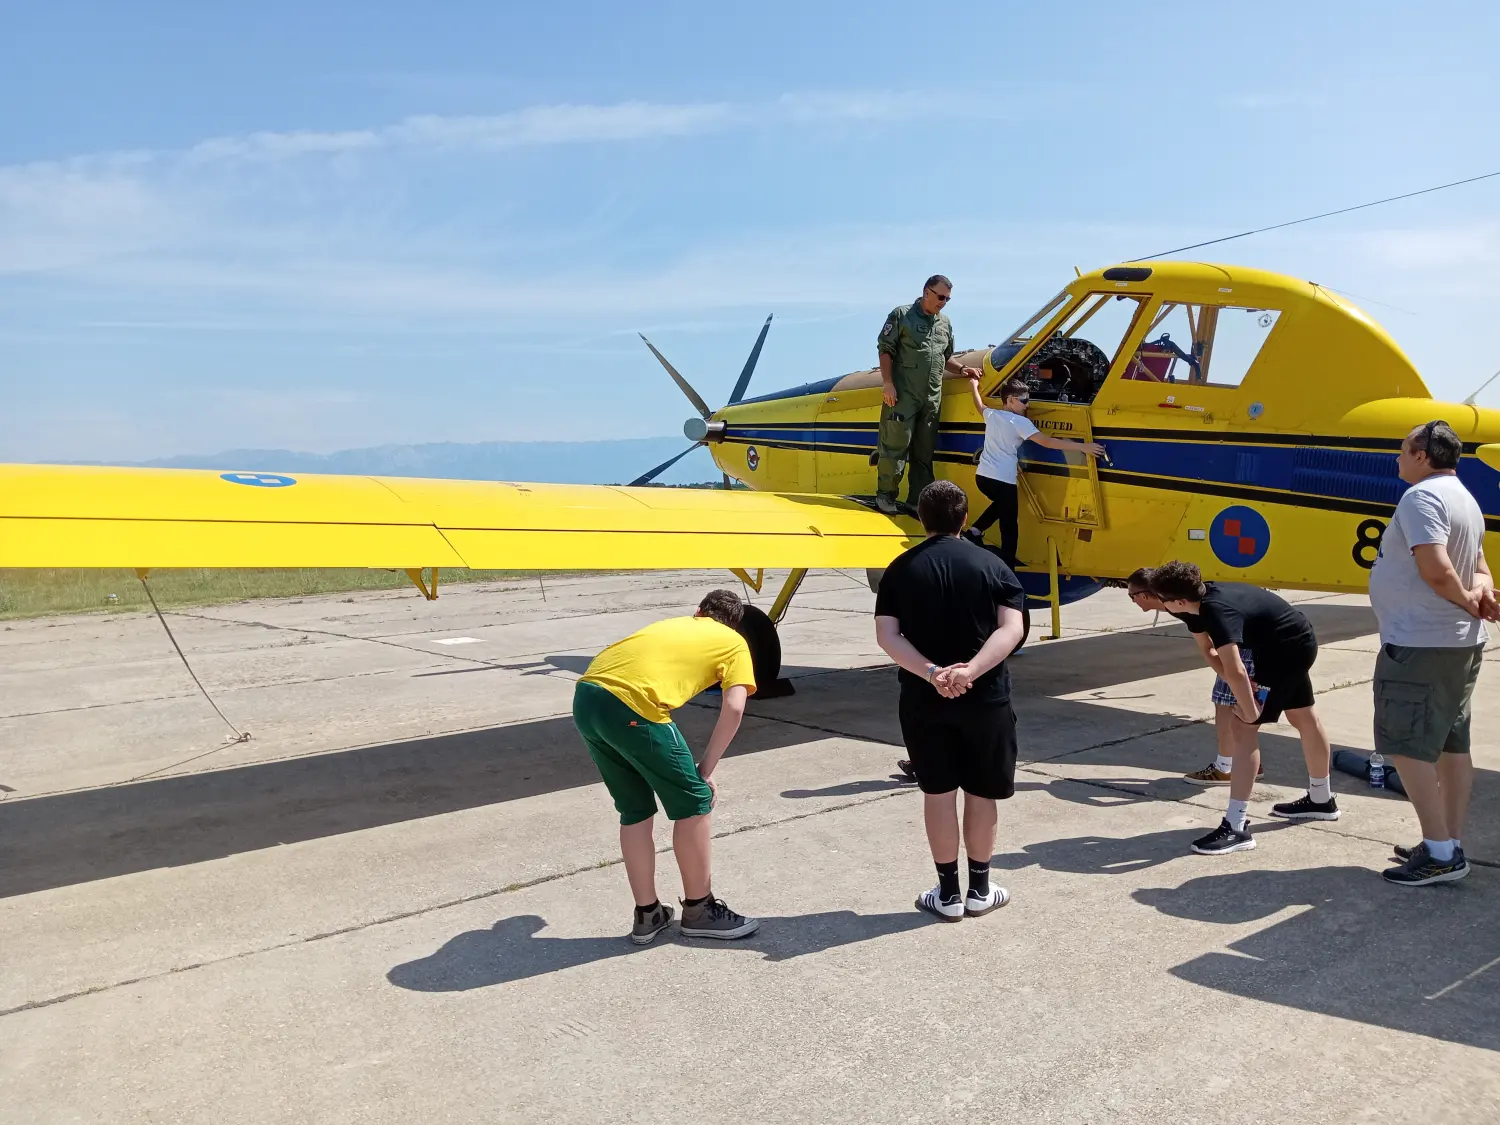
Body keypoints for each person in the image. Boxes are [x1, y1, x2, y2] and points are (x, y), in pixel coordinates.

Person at [874, 480, 1028, 920]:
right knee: (982, 793)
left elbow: (888, 636)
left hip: (924, 699)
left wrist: (932, 673)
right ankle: (980, 889)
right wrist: (970, 672)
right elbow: (1010, 630)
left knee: (938, 793)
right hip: (987, 698)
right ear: (964, 519)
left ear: (921, 520)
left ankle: (947, 894)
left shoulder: (900, 568)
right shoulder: (994, 565)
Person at [573, 590, 761, 943]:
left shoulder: (673, 625)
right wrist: (704, 770)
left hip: (586, 698)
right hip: (632, 706)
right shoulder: (734, 643)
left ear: (699, 611)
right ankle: (700, 910)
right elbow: (734, 708)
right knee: (694, 801)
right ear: (736, 625)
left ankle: (648, 915)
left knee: (634, 810)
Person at [1368, 420, 1498, 886]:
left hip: (1421, 643)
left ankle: (1441, 854)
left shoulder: (1422, 498)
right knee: (1450, 744)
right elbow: (1481, 568)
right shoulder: (1465, 498)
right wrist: (1480, 597)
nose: (1398, 458)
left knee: (1406, 746)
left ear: (1423, 454)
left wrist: (1466, 599)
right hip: (1458, 644)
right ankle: (1449, 840)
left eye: (1403, 450)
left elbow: (1437, 570)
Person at [1149, 561, 1338, 855]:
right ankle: (1321, 800)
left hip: (1286, 650)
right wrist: (1244, 686)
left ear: (1179, 600)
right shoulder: (1193, 605)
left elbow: (1236, 668)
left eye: (1162, 600)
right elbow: (1209, 652)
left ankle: (1236, 828)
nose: (1159, 604)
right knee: (1302, 715)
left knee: (1242, 727)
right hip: (1291, 640)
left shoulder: (1215, 609)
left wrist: (1250, 710)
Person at [1124, 567, 1264, 785]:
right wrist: (1229, 677)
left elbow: (1211, 645)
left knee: (1226, 705)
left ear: (1143, 595)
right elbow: (1206, 646)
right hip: (1257, 641)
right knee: (1235, 702)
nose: (1133, 601)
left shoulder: (1184, 605)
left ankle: (1225, 767)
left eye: (1132, 596)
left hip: (1247, 644)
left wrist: (1234, 678)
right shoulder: (1182, 601)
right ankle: (1245, 760)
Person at [963, 374, 1106, 570]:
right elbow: (1047, 442)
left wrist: (973, 385)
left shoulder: (993, 415)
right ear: (1011, 400)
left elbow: (979, 406)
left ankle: (974, 532)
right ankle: (1007, 566)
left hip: (983, 478)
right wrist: (1083, 447)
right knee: (1010, 525)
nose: (1027, 405)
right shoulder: (1019, 422)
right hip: (1003, 480)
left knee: (1002, 507)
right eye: (1024, 401)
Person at [875, 275, 983, 514]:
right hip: (903, 394)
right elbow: (885, 349)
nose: (943, 302)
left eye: (948, 299)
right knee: (895, 446)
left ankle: (917, 502)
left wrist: (963, 369)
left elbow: (946, 358)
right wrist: (888, 383)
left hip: (931, 397)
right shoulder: (902, 315)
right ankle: (886, 496)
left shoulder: (944, 323)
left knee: (924, 452)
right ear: (927, 292)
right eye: (941, 297)